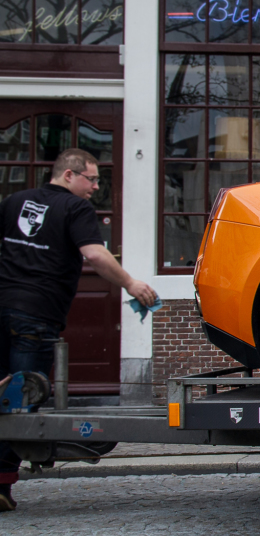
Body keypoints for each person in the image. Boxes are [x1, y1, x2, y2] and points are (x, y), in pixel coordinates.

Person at [0, 148, 158, 512]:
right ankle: (1, 484)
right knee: (19, 404)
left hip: (4, 306)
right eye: (92, 179)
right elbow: (96, 255)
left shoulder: (14, 201)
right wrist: (131, 284)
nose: (96, 187)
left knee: (3, 393)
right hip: (36, 314)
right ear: (69, 175)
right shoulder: (75, 209)